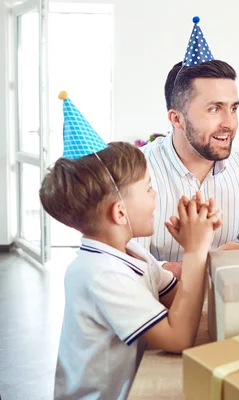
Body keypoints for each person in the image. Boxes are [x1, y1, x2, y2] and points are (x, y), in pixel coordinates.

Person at [41, 93, 221, 399]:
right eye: (148, 188)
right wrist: (195, 251)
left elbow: (177, 297)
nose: (155, 196)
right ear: (120, 212)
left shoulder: (131, 251)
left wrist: (197, 242)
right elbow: (178, 337)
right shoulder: (101, 274)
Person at [138, 18, 239, 278]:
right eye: (214, 109)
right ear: (176, 118)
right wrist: (208, 264)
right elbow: (131, 268)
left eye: (233, 108)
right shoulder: (139, 173)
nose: (229, 123)